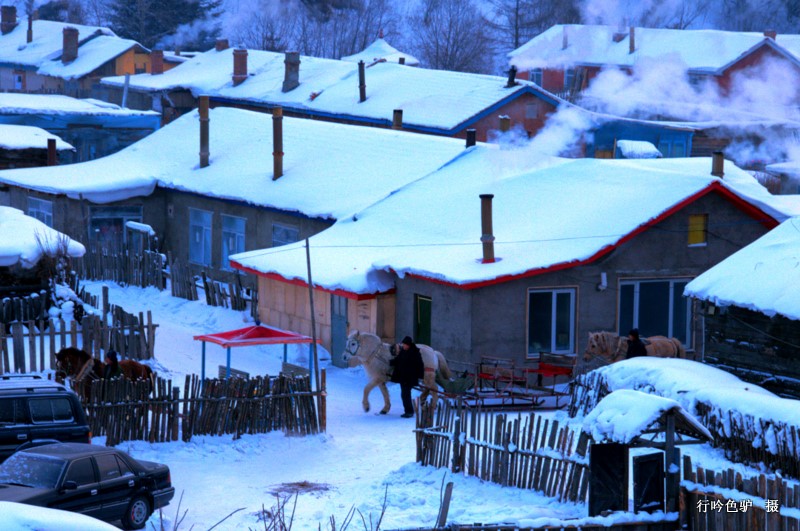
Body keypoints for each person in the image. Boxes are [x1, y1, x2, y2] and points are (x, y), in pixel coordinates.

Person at [389, 336, 424, 418]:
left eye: (404, 344)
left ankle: (409, 411)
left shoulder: (415, 352)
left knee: (406, 395)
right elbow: (398, 360)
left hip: (409, 378)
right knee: (404, 395)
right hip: (403, 377)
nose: (403, 346)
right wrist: (390, 362)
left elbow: (420, 365)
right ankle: (408, 411)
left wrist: (420, 376)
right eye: (403, 344)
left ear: (408, 345)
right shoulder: (403, 352)